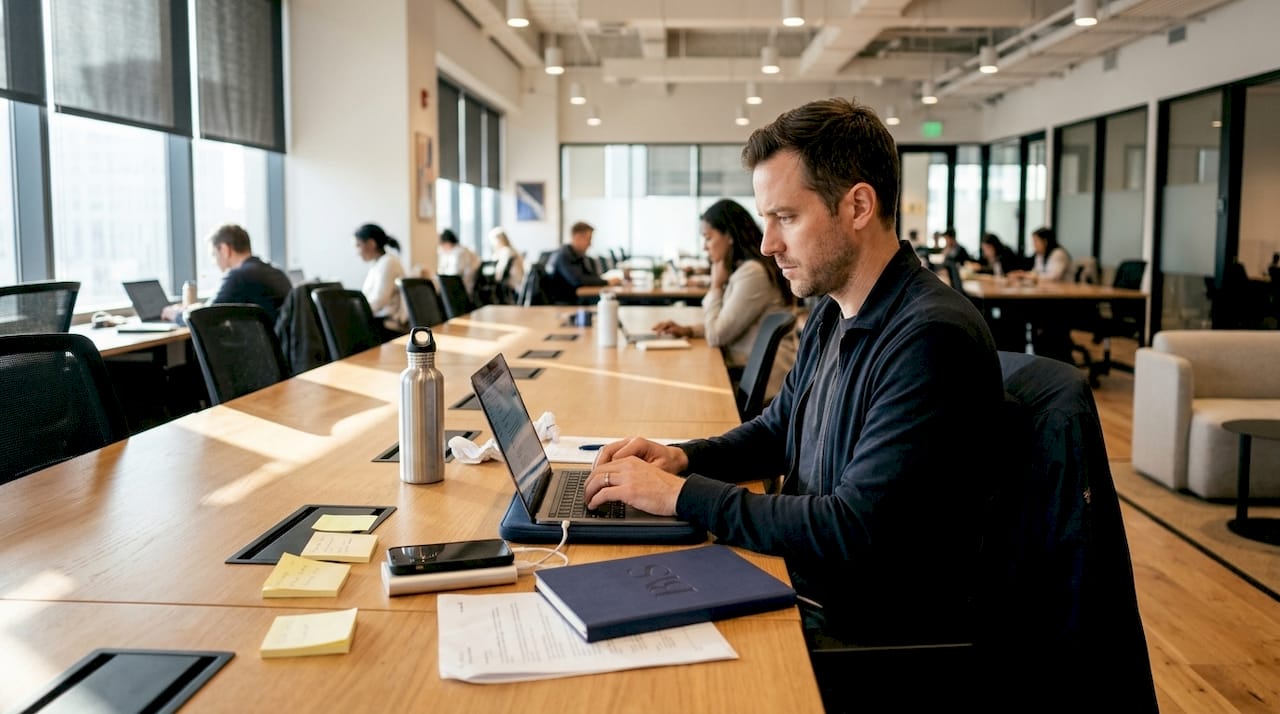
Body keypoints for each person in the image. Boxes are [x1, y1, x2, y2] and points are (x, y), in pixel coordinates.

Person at [583, 98, 1004, 646]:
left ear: (858, 206)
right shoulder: (833, 310)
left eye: (786, 217)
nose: (767, 244)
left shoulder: (930, 338)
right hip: (801, 577)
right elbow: (779, 430)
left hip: (859, 628)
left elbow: (852, 528)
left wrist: (681, 496)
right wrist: (682, 459)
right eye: (766, 219)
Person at [651, 199, 797, 402]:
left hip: (759, 385)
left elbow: (716, 335)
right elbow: (725, 322)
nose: (705, 247)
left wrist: (716, 286)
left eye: (708, 238)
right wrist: (689, 330)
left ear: (729, 236)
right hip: (745, 372)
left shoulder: (753, 273)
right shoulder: (745, 269)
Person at [161, 224, 292, 326]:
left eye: (213, 255)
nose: (214, 262)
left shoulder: (239, 277)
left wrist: (174, 314)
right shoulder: (274, 272)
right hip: (282, 348)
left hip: (262, 350)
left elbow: (203, 317)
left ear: (224, 249)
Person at [544, 221, 620, 304]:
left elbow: (589, 275)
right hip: (566, 303)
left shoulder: (577, 254)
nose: (590, 244)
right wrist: (607, 282)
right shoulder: (563, 255)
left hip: (576, 299)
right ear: (578, 237)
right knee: (612, 302)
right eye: (589, 239)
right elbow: (578, 280)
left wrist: (604, 281)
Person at [354, 223, 408, 338]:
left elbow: (379, 300)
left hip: (388, 326)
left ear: (371, 244)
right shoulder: (377, 264)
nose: (357, 252)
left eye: (358, 245)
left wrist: (356, 313)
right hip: (380, 322)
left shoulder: (388, 262)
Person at [437, 229, 481, 296]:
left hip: (462, 289)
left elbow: (453, 275)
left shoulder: (459, 253)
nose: (441, 247)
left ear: (447, 243)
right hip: (462, 287)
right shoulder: (459, 250)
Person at [488, 227, 525, 302]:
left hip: (514, 288)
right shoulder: (512, 250)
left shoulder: (506, 252)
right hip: (519, 286)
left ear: (498, 240)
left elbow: (499, 276)